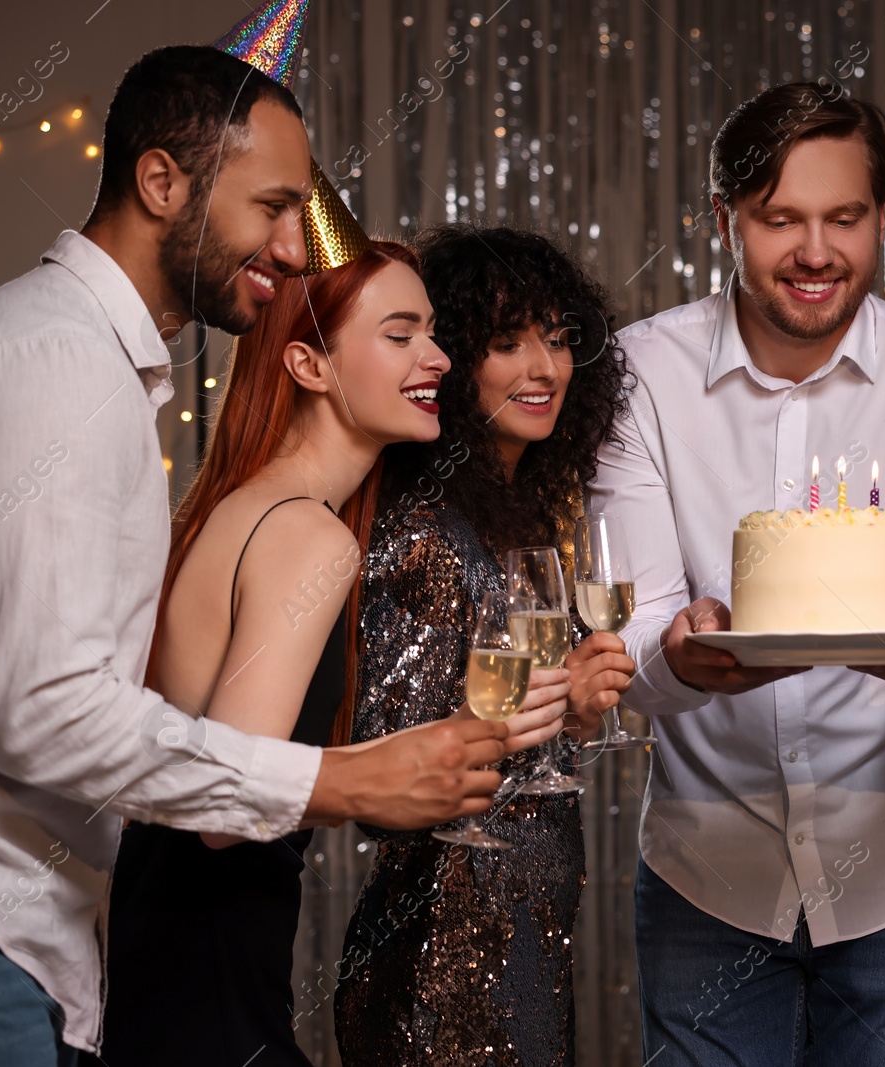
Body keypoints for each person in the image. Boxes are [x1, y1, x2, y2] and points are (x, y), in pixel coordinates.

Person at [0, 46, 513, 1065]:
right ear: (161, 181)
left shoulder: (98, 375)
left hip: (62, 942)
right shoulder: (65, 370)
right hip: (7, 940)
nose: (290, 245)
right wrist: (345, 782)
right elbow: (39, 710)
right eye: (271, 204)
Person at [588, 82, 885, 1065]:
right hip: (709, 866)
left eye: (844, 218)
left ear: (880, 220)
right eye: (779, 219)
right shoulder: (638, 378)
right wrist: (683, 657)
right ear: (723, 218)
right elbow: (638, 636)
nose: (816, 252)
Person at [335, 225, 634, 1066]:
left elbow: (511, 724)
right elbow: (383, 764)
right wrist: (545, 709)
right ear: (454, 363)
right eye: (508, 343)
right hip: (443, 962)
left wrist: (569, 710)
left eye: (559, 338)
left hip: (525, 945)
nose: (544, 368)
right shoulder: (425, 528)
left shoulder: (516, 514)